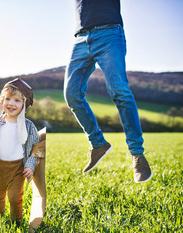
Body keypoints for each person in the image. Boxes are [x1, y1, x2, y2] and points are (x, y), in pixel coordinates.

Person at [64, 0, 152, 183]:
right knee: (71, 94)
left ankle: (138, 156)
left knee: (119, 90)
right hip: (80, 38)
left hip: (109, 33)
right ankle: (98, 144)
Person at [0, 78, 39, 224]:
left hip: (18, 168)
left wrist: (30, 165)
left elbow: (35, 150)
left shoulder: (29, 126)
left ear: (24, 105)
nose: (11, 103)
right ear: (1, 101)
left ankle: (16, 222)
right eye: (7, 99)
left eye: (17, 100)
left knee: (15, 197)